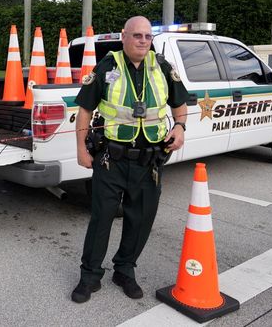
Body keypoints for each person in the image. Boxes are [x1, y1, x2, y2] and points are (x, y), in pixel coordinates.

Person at [71, 16, 189, 303]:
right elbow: (85, 111)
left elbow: (180, 105)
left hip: (149, 162)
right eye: (137, 35)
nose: (142, 41)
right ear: (123, 37)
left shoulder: (162, 67)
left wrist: (180, 127)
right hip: (111, 159)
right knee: (101, 219)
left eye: (147, 36)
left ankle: (125, 270)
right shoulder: (107, 66)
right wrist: (81, 149)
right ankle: (89, 276)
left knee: (141, 219)